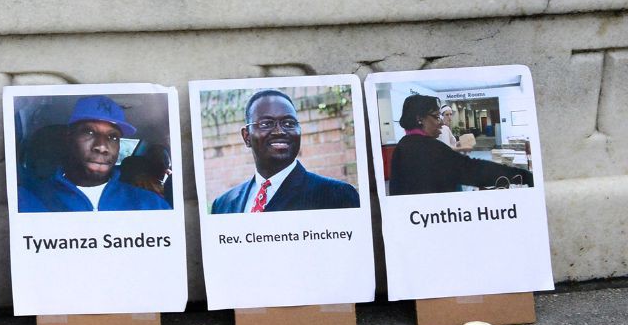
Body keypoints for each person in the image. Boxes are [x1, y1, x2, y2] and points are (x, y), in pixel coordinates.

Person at [208, 90, 359, 214]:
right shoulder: (222, 205)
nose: (279, 131)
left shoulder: (336, 196)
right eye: (266, 123)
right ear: (246, 136)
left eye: (289, 123)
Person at [16, 95, 172, 213]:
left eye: (113, 137)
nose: (102, 147)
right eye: (89, 132)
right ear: (69, 139)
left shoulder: (151, 204)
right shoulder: (27, 200)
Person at [388, 94, 534, 195]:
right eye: (435, 116)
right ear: (420, 119)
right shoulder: (428, 148)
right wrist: (521, 175)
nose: (440, 122)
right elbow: (473, 170)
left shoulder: (404, 145)